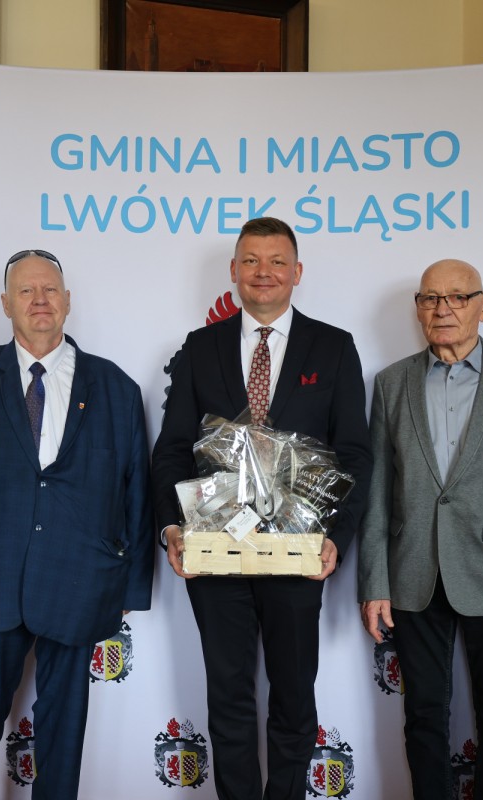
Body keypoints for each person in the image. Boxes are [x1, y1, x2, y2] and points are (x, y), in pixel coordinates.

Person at [151, 217, 372, 800]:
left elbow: (354, 454)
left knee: (294, 696)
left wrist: (336, 536)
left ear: (297, 272)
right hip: (214, 552)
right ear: (233, 271)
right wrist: (172, 527)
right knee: (228, 696)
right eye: (251, 260)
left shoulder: (334, 346)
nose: (263, 272)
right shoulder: (200, 348)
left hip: (299, 554)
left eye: (277, 261)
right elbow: (171, 450)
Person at [0, 248, 153, 800]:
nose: (40, 300)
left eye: (50, 290)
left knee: (63, 731)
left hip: (80, 580)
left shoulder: (117, 388)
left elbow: (136, 490)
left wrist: (131, 586)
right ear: (5, 303)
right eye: (27, 291)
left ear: (68, 301)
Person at [357, 258, 483, 800]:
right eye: (430, 298)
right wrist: (374, 581)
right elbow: (376, 492)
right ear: (418, 308)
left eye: (457, 297)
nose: (443, 308)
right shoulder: (391, 383)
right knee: (423, 716)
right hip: (413, 575)